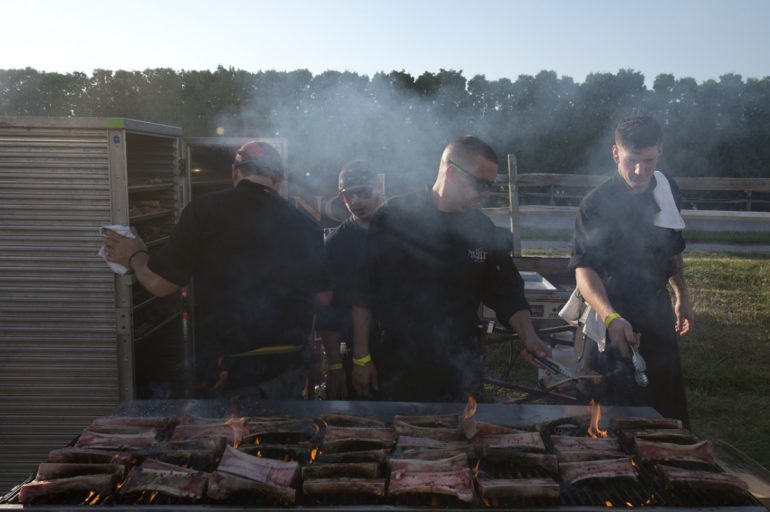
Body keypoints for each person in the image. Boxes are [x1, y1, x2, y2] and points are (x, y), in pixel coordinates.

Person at [103, 141, 331, 400]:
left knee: (230, 439)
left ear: (235, 172)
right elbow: (323, 298)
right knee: (286, 435)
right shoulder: (304, 223)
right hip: (288, 365)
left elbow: (160, 284)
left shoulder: (203, 211)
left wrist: (135, 256)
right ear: (278, 179)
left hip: (227, 368)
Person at [350, 135, 549, 402]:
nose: (487, 193)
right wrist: (361, 358)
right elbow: (363, 292)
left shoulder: (481, 228)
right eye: (481, 184)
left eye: (490, 185)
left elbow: (507, 292)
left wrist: (529, 336)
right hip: (399, 363)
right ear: (452, 173)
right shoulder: (392, 218)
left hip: (461, 365)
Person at [570, 115, 693, 425]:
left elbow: (672, 248)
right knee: (603, 415)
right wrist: (612, 318)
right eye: (632, 161)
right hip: (610, 313)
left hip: (656, 310)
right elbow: (584, 271)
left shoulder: (666, 189)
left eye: (649, 160)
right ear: (616, 154)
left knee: (663, 407)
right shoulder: (595, 205)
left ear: (660, 152)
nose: (640, 171)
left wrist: (682, 295)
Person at [317, 161, 385, 399]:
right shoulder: (335, 245)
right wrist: (335, 367)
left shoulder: (403, 232)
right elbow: (328, 311)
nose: (355, 201)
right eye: (347, 195)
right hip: (354, 352)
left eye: (362, 192)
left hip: (402, 350)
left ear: (380, 187)